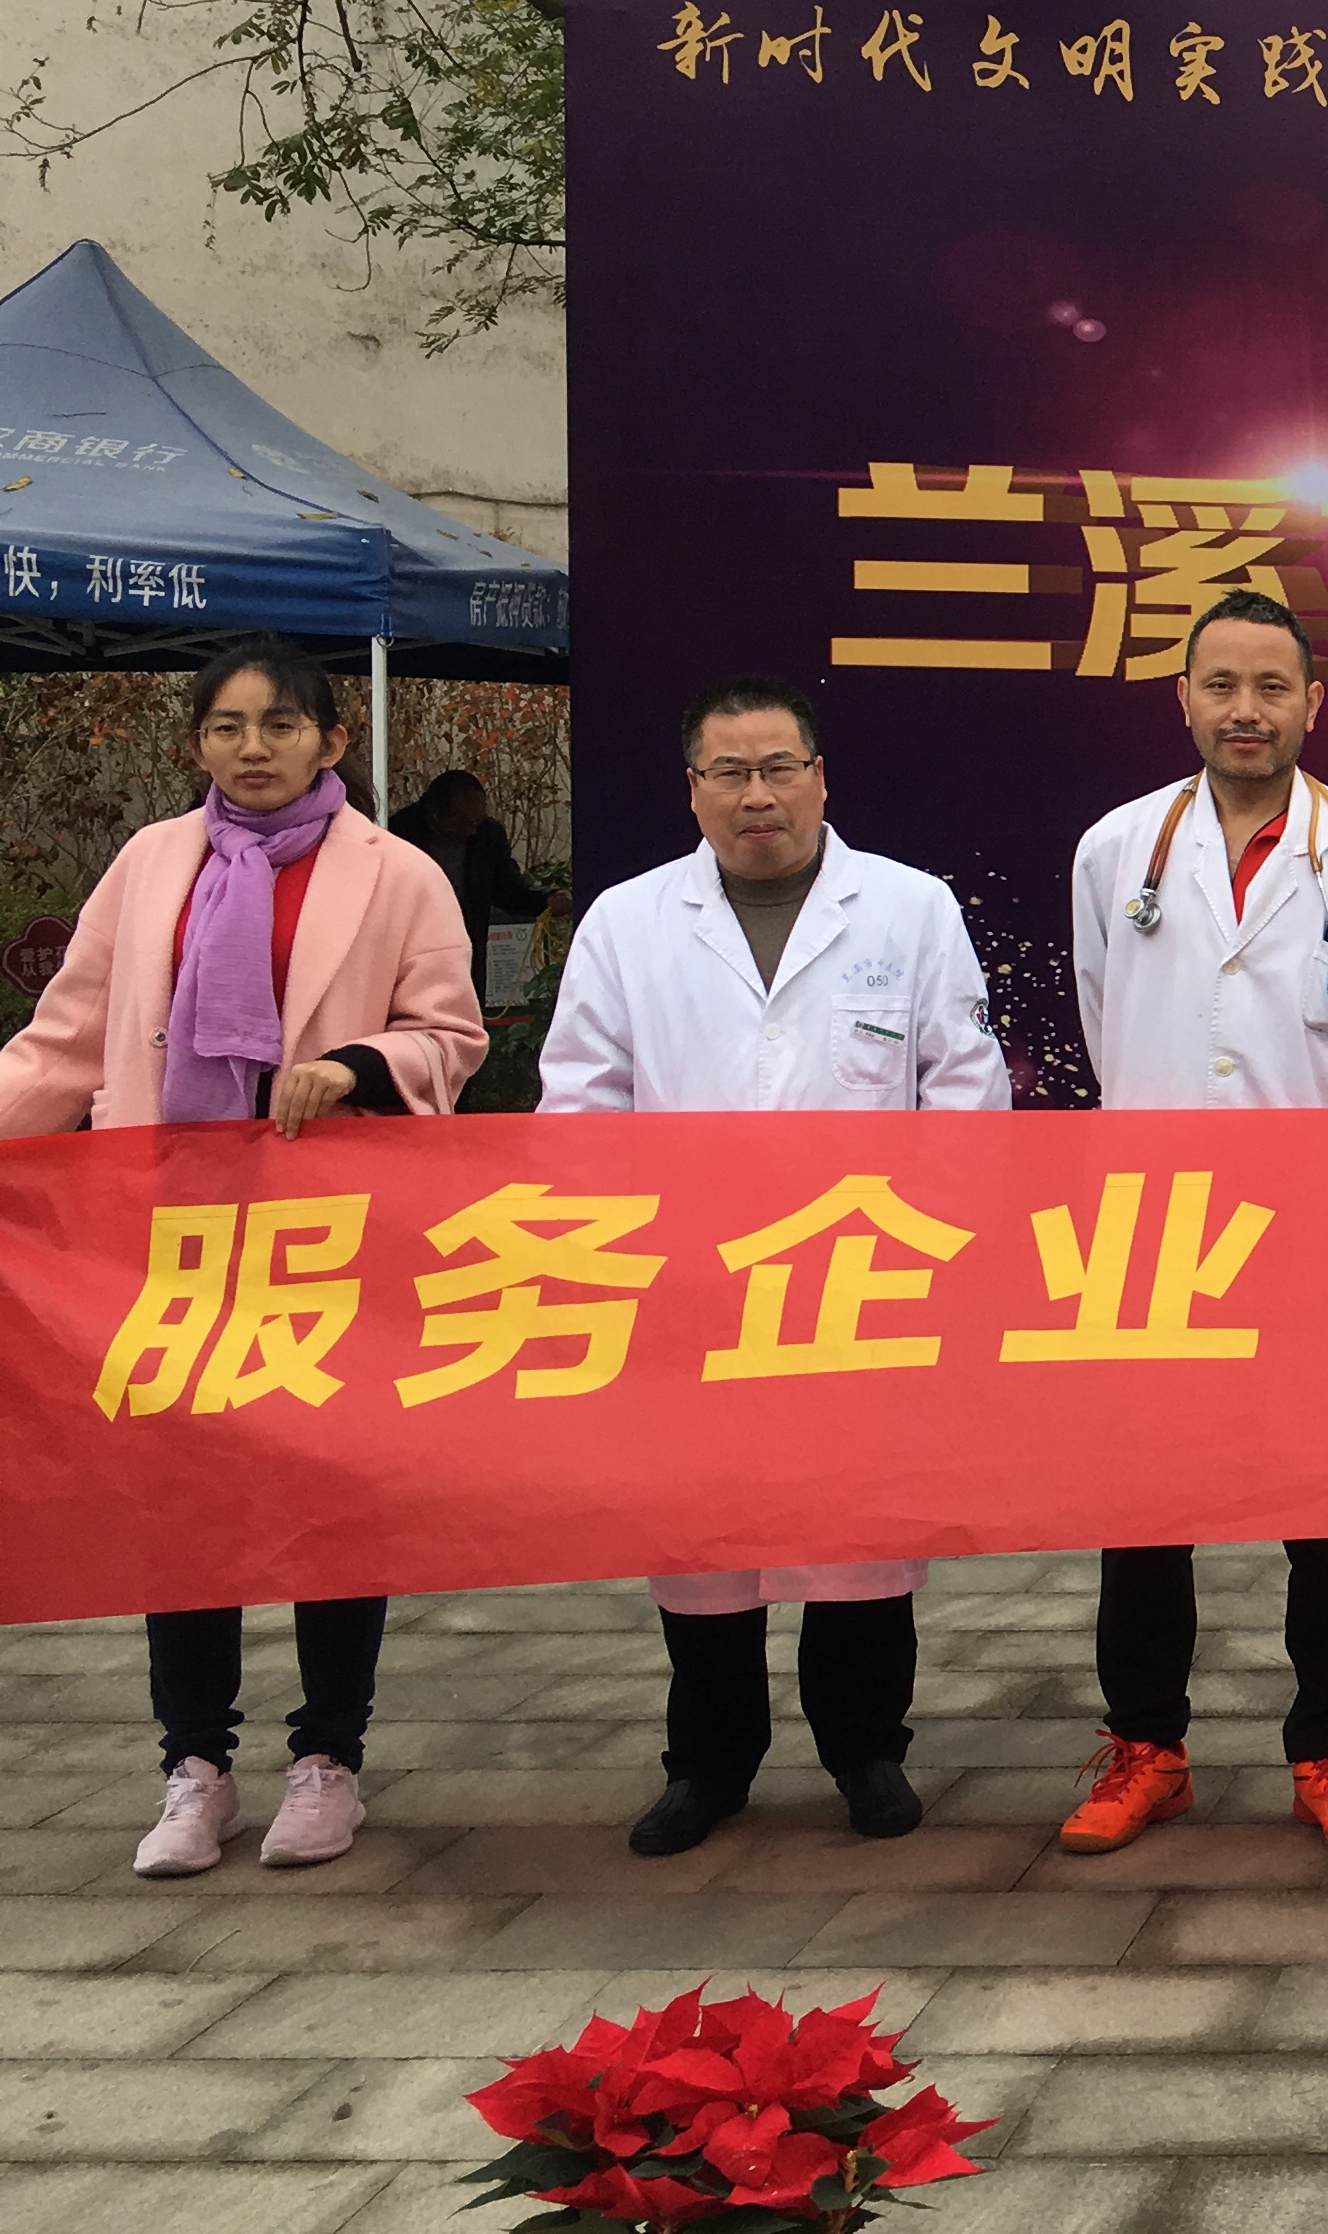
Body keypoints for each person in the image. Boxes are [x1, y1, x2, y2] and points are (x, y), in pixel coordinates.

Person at [0, 634, 485, 1879]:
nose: (253, 749)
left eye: (279, 725)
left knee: (332, 1496)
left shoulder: (397, 873)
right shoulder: (151, 862)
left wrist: (357, 1066)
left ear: (333, 740)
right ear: (198, 743)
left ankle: (327, 1757)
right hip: (169, 1231)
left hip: (329, 1235)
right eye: (227, 727)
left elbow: (450, 1036)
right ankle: (194, 1766)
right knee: (184, 1504)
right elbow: (66, 1039)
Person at [539, 675, 1008, 1857]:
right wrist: (629, 1249)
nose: (759, 796)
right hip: (689, 1283)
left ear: (820, 779)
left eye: (780, 770)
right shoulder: (629, 922)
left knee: (858, 1536)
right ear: (693, 790)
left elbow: (964, 1090)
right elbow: (581, 1099)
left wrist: (931, 1242)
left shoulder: (907, 908)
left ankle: (867, 1753)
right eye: (731, 774)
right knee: (702, 1537)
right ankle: (708, 1765)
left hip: (860, 1275)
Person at [1060, 588, 1328, 1856]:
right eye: (1221, 685)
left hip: (1319, 1219)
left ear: (1311, 704)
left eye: (1271, 687)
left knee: (1327, 1504)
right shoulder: (1119, 849)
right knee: (1143, 1502)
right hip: (1154, 1218)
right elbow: (1106, 1015)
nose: (1245, 710)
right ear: (1184, 698)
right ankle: (1146, 1747)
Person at [389, 767, 561, 969]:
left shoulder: (488, 835)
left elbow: (507, 889)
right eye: (464, 823)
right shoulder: (399, 834)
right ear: (434, 815)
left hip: (468, 948)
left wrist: (544, 900)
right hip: (413, 948)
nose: (472, 831)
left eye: (476, 822)